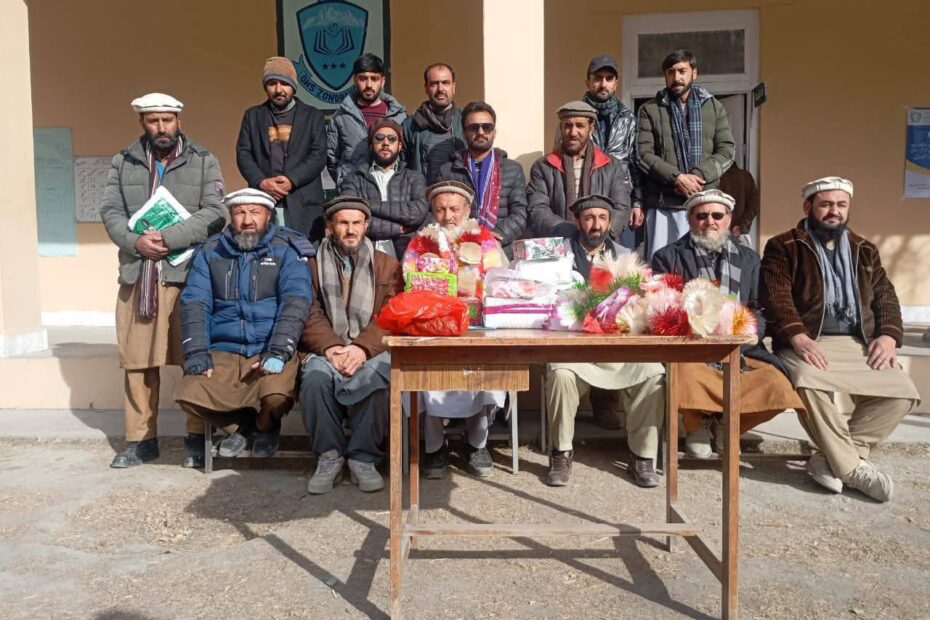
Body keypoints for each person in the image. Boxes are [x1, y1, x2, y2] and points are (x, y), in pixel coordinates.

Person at [761, 177, 921, 502]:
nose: (834, 211)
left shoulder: (864, 249)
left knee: (902, 393)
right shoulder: (784, 246)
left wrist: (889, 335)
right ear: (808, 207)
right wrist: (797, 336)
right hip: (807, 339)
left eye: (841, 205)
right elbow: (776, 297)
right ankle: (852, 469)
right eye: (826, 204)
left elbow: (886, 297)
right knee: (806, 382)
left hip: (857, 340)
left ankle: (831, 458)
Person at [99, 93, 226, 469]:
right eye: (153, 121)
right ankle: (141, 440)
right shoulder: (123, 161)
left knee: (193, 356)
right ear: (142, 123)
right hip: (139, 275)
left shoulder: (203, 160)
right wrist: (135, 242)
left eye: (167, 120)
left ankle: (196, 437)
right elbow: (110, 210)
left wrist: (169, 238)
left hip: (188, 275)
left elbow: (216, 211)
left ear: (178, 121)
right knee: (138, 361)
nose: (161, 127)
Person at [651, 189, 803, 458]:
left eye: (717, 215)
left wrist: (750, 332)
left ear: (728, 219)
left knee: (777, 384)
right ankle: (697, 424)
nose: (710, 221)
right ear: (690, 219)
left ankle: (728, 425)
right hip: (692, 346)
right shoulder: (668, 256)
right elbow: (663, 307)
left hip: (741, 346)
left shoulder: (749, 258)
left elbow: (759, 306)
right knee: (684, 374)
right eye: (702, 216)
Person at [174, 188, 313, 463]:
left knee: (277, 397)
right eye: (240, 213)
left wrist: (279, 350)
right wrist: (197, 351)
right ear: (231, 216)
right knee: (187, 395)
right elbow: (195, 303)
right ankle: (245, 426)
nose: (247, 220)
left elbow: (295, 302)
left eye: (255, 213)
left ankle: (265, 425)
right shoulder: (211, 251)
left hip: (268, 346)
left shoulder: (287, 250)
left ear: (268, 216)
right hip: (224, 348)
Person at [544, 195, 666, 487]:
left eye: (602, 218)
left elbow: (643, 303)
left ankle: (643, 457)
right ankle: (561, 453)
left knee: (654, 374)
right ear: (578, 222)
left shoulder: (627, 257)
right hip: (574, 349)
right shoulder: (559, 254)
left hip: (619, 348)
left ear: (610, 223)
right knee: (560, 375)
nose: (595, 224)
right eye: (589, 218)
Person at [300, 196, 404, 494]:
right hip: (326, 347)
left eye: (356, 223)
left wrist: (361, 348)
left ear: (366, 225)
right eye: (343, 223)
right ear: (330, 226)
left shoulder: (388, 265)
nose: (350, 230)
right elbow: (306, 310)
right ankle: (329, 456)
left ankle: (363, 457)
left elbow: (392, 313)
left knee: (378, 380)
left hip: (371, 347)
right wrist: (331, 347)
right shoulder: (310, 265)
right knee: (315, 379)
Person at [416, 180, 507, 479]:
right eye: (441, 209)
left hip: (478, 330)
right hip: (435, 331)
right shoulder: (421, 243)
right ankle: (434, 448)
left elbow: (501, 284)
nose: (448, 216)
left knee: (488, 374)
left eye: (454, 209)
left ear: (467, 210)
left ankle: (477, 444)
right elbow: (411, 287)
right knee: (425, 374)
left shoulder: (486, 242)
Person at [636, 49, 735, 261]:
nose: (677, 77)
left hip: (704, 204)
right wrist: (677, 178)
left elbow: (727, 150)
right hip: (664, 204)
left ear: (694, 73)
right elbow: (643, 155)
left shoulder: (714, 107)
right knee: (662, 267)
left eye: (682, 71)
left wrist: (697, 176)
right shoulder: (649, 109)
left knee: (702, 266)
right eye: (671, 72)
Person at [236, 56, 328, 241]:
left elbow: (318, 155)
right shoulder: (253, 116)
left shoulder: (313, 116)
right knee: (266, 255)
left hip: (303, 205)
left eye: (284, 83)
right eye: (272, 83)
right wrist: (261, 181)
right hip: (264, 202)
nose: (278, 89)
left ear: (293, 86)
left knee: (304, 256)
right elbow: (244, 154)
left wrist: (291, 180)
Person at [434, 101, 528, 256]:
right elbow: (438, 212)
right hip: (459, 250)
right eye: (473, 127)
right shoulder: (448, 171)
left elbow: (520, 214)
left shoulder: (513, 169)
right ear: (464, 133)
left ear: (494, 132)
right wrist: (467, 237)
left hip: (500, 250)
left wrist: (492, 237)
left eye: (487, 127)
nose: (481, 132)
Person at [528, 101, 630, 241]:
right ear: (561, 127)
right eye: (568, 125)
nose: (573, 132)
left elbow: (621, 208)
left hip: (602, 243)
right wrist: (571, 232)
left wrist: (599, 235)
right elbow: (538, 209)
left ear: (591, 127)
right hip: (558, 243)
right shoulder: (543, 166)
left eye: (580, 126)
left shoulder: (611, 166)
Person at [340, 119, 428, 258]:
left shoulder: (414, 178)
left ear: (399, 146)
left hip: (407, 257)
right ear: (371, 145)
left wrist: (366, 205)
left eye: (392, 139)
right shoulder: (353, 180)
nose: (386, 143)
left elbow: (417, 212)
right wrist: (396, 228)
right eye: (379, 138)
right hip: (364, 256)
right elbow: (353, 219)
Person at [583, 54, 644, 237]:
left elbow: (636, 163)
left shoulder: (628, 119)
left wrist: (637, 202)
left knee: (620, 254)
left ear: (616, 83)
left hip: (620, 201)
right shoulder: (575, 119)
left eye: (609, 79)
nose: (603, 84)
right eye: (598, 78)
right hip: (586, 202)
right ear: (588, 82)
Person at [327, 53, 406, 189]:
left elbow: (406, 156)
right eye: (363, 78)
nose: (369, 85)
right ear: (354, 80)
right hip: (354, 192)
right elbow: (332, 158)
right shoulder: (341, 117)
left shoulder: (399, 116)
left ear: (382, 81)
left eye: (374, 79)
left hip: (392, 192)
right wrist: (345, 182)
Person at [403, 63, 465, 180]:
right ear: (426, 88)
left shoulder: (465, 122)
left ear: (453, 87)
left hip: (459, 190)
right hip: (422, 190)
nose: (440, 89)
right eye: (434, 84)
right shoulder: (409, 125)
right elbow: (402, 169)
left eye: (445, 83)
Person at [718, 162, 760, 248]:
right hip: (740, 234)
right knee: (745, 256)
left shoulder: (714, 178)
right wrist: (741, 226)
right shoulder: (745, 176)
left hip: (717, 234)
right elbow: (755, 206)